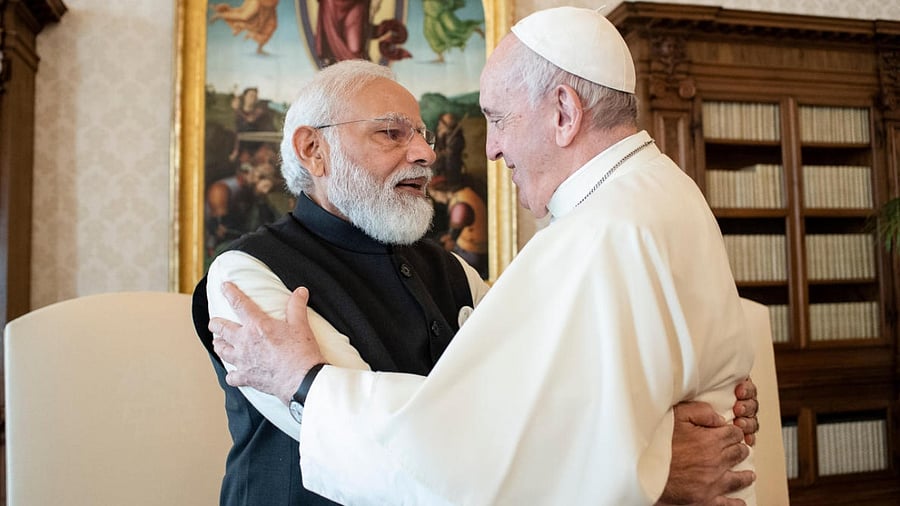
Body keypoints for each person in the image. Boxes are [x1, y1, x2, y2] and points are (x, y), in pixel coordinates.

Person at [202, 50, 760, 506]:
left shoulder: (454, 271)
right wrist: (648, 462)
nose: (426, 153)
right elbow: (391, 447)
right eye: (392, 133)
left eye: (423, 134)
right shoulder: (243, 275)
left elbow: (543, 396)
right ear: (313, 150)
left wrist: (674, 403)